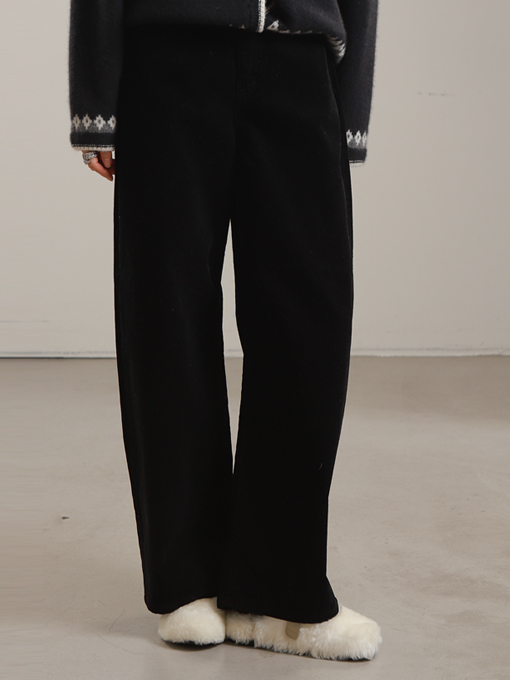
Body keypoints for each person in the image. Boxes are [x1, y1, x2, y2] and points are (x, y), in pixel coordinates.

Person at [68, 0, 382, 662]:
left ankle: (281, 594)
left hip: (302, 64)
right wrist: (96, 101)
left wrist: (349, 107)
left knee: (310, 322)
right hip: (169, 60)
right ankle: (186, 581)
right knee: (167, 316)